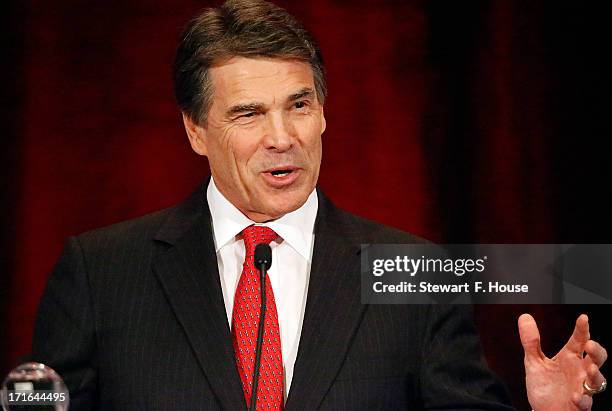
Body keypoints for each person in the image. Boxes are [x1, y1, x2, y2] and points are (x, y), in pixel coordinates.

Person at [31, 0, 607, 410]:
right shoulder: (99, 271)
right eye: (248, 113)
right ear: (196, 132)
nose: (283, 137)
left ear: (324, 112)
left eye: (299, 105)